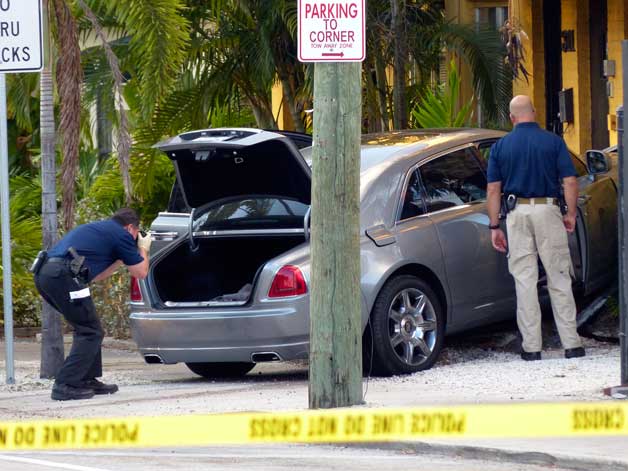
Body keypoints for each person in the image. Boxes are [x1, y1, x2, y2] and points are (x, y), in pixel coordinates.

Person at [486, 95, 585, 362]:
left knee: (524, 280)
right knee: (559, 276)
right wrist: (570, 214)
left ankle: (531, 348)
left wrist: (494, 225)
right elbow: (570, 181)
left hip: (516, 213)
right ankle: (572, 344)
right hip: (548, 209)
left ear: (512, 118)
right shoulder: (553, 142)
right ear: (534, 112)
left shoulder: (500, 147)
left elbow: (493, 189)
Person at [33, 208, 151, 400]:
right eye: (137, 233)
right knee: (90, 331)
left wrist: (122, 257)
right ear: (130, 228)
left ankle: (85, 379)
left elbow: (96, 276)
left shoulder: (103, 230)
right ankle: (65, 384)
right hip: (63, 276)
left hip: (47, 275)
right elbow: (141, 272)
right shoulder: (122, 235)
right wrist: (143, 248)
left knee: (87, 327)